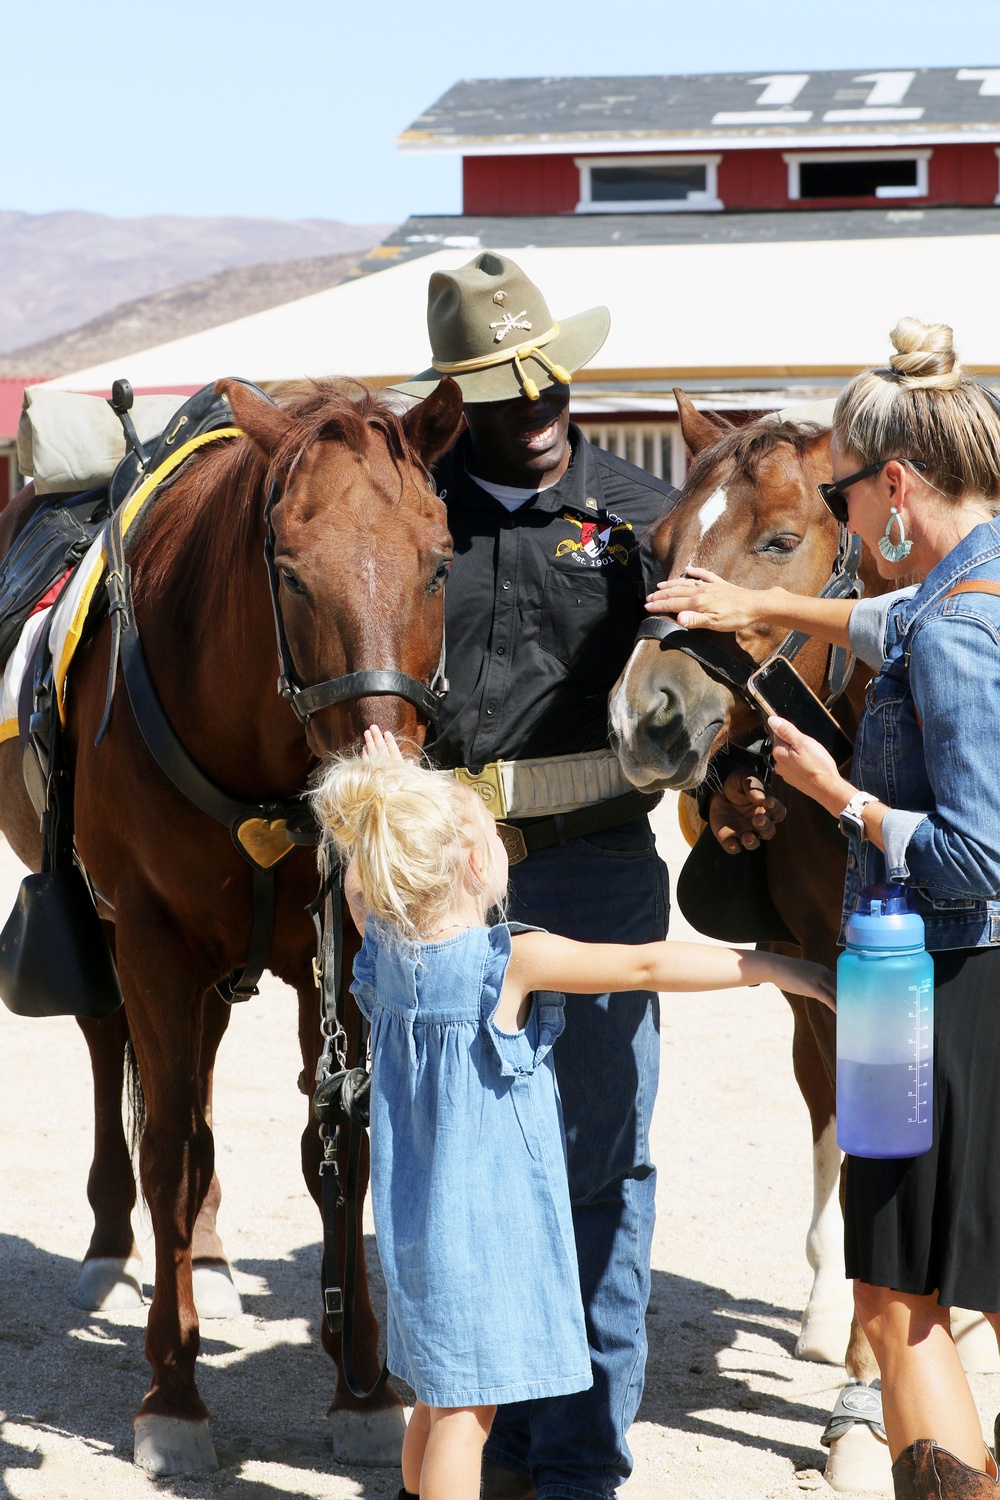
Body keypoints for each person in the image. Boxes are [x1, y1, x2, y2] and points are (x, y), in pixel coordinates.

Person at [647, 317, 1000, 1500]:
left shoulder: (957, 631)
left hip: (925, 991)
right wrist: (754, 604)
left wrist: (838, 797)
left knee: (895, 1306)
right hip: (955, 988)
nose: (842, 519)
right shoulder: (969, 581)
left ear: (893, 484)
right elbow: (887, 621)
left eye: (844, 491)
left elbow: (975, 854)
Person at [313, 726, 835, 1500]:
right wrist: (782, 968)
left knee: (435, 1404)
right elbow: (646, 963)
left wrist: (387, 793)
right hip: (484, 1236)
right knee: (468, 1420)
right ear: (474, 863)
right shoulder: (504, 963)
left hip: (416, 1231)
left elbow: (362, 883)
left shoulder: (380, 950)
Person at [393, 250, 678, 1500]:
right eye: (509, 392)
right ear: (461, 397)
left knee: (597, 1162)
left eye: (552, 378)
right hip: (452, 892)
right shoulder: (412, 517)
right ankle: (498, 1427)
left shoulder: (633, 516)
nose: (542, 406)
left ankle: (578, 1460)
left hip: (602, 868)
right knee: (473, 1171)